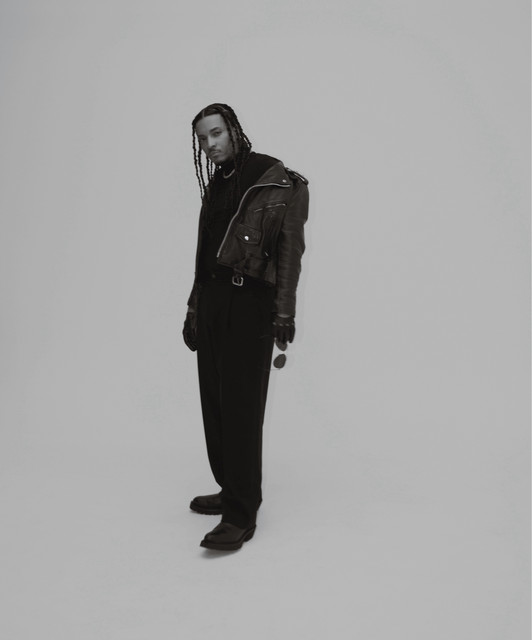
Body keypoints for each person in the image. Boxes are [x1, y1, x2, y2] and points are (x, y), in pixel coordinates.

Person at [182, 103, 309, 550]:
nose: (210, 144)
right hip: (214, 302)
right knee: (215, 403)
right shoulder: (217, 183)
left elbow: (290, 253)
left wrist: (284, 312)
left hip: (250, 304)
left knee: (242, 409)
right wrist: (194, 308)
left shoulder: (278, 180)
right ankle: (230, 487)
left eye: (216, 133)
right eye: (202, 138)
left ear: (234, 130)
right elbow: (203, 255)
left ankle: (241, 514)